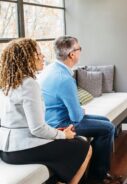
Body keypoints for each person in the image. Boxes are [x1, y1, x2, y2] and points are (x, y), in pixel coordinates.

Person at [0, 38, 92, 184]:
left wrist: (57, 133)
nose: (42, 57)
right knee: (84, 146)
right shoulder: (29, 84)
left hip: (6, 151)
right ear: (26, 58)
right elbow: (37, 129)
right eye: (38, 53)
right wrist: (63, 135)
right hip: (23, 149)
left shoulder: (8, 83)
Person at [37, 36, 118, 183]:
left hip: (52, 118)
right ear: (72, 54)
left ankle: (97, 171)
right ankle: (96, 177)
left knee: (106, 122)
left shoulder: (51, 69)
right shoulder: (65, 78)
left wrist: (79, 111)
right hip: (62, 124)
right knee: (107, 128)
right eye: (79, 48)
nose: (80, 51)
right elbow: (76, 117)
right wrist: (81, 111)